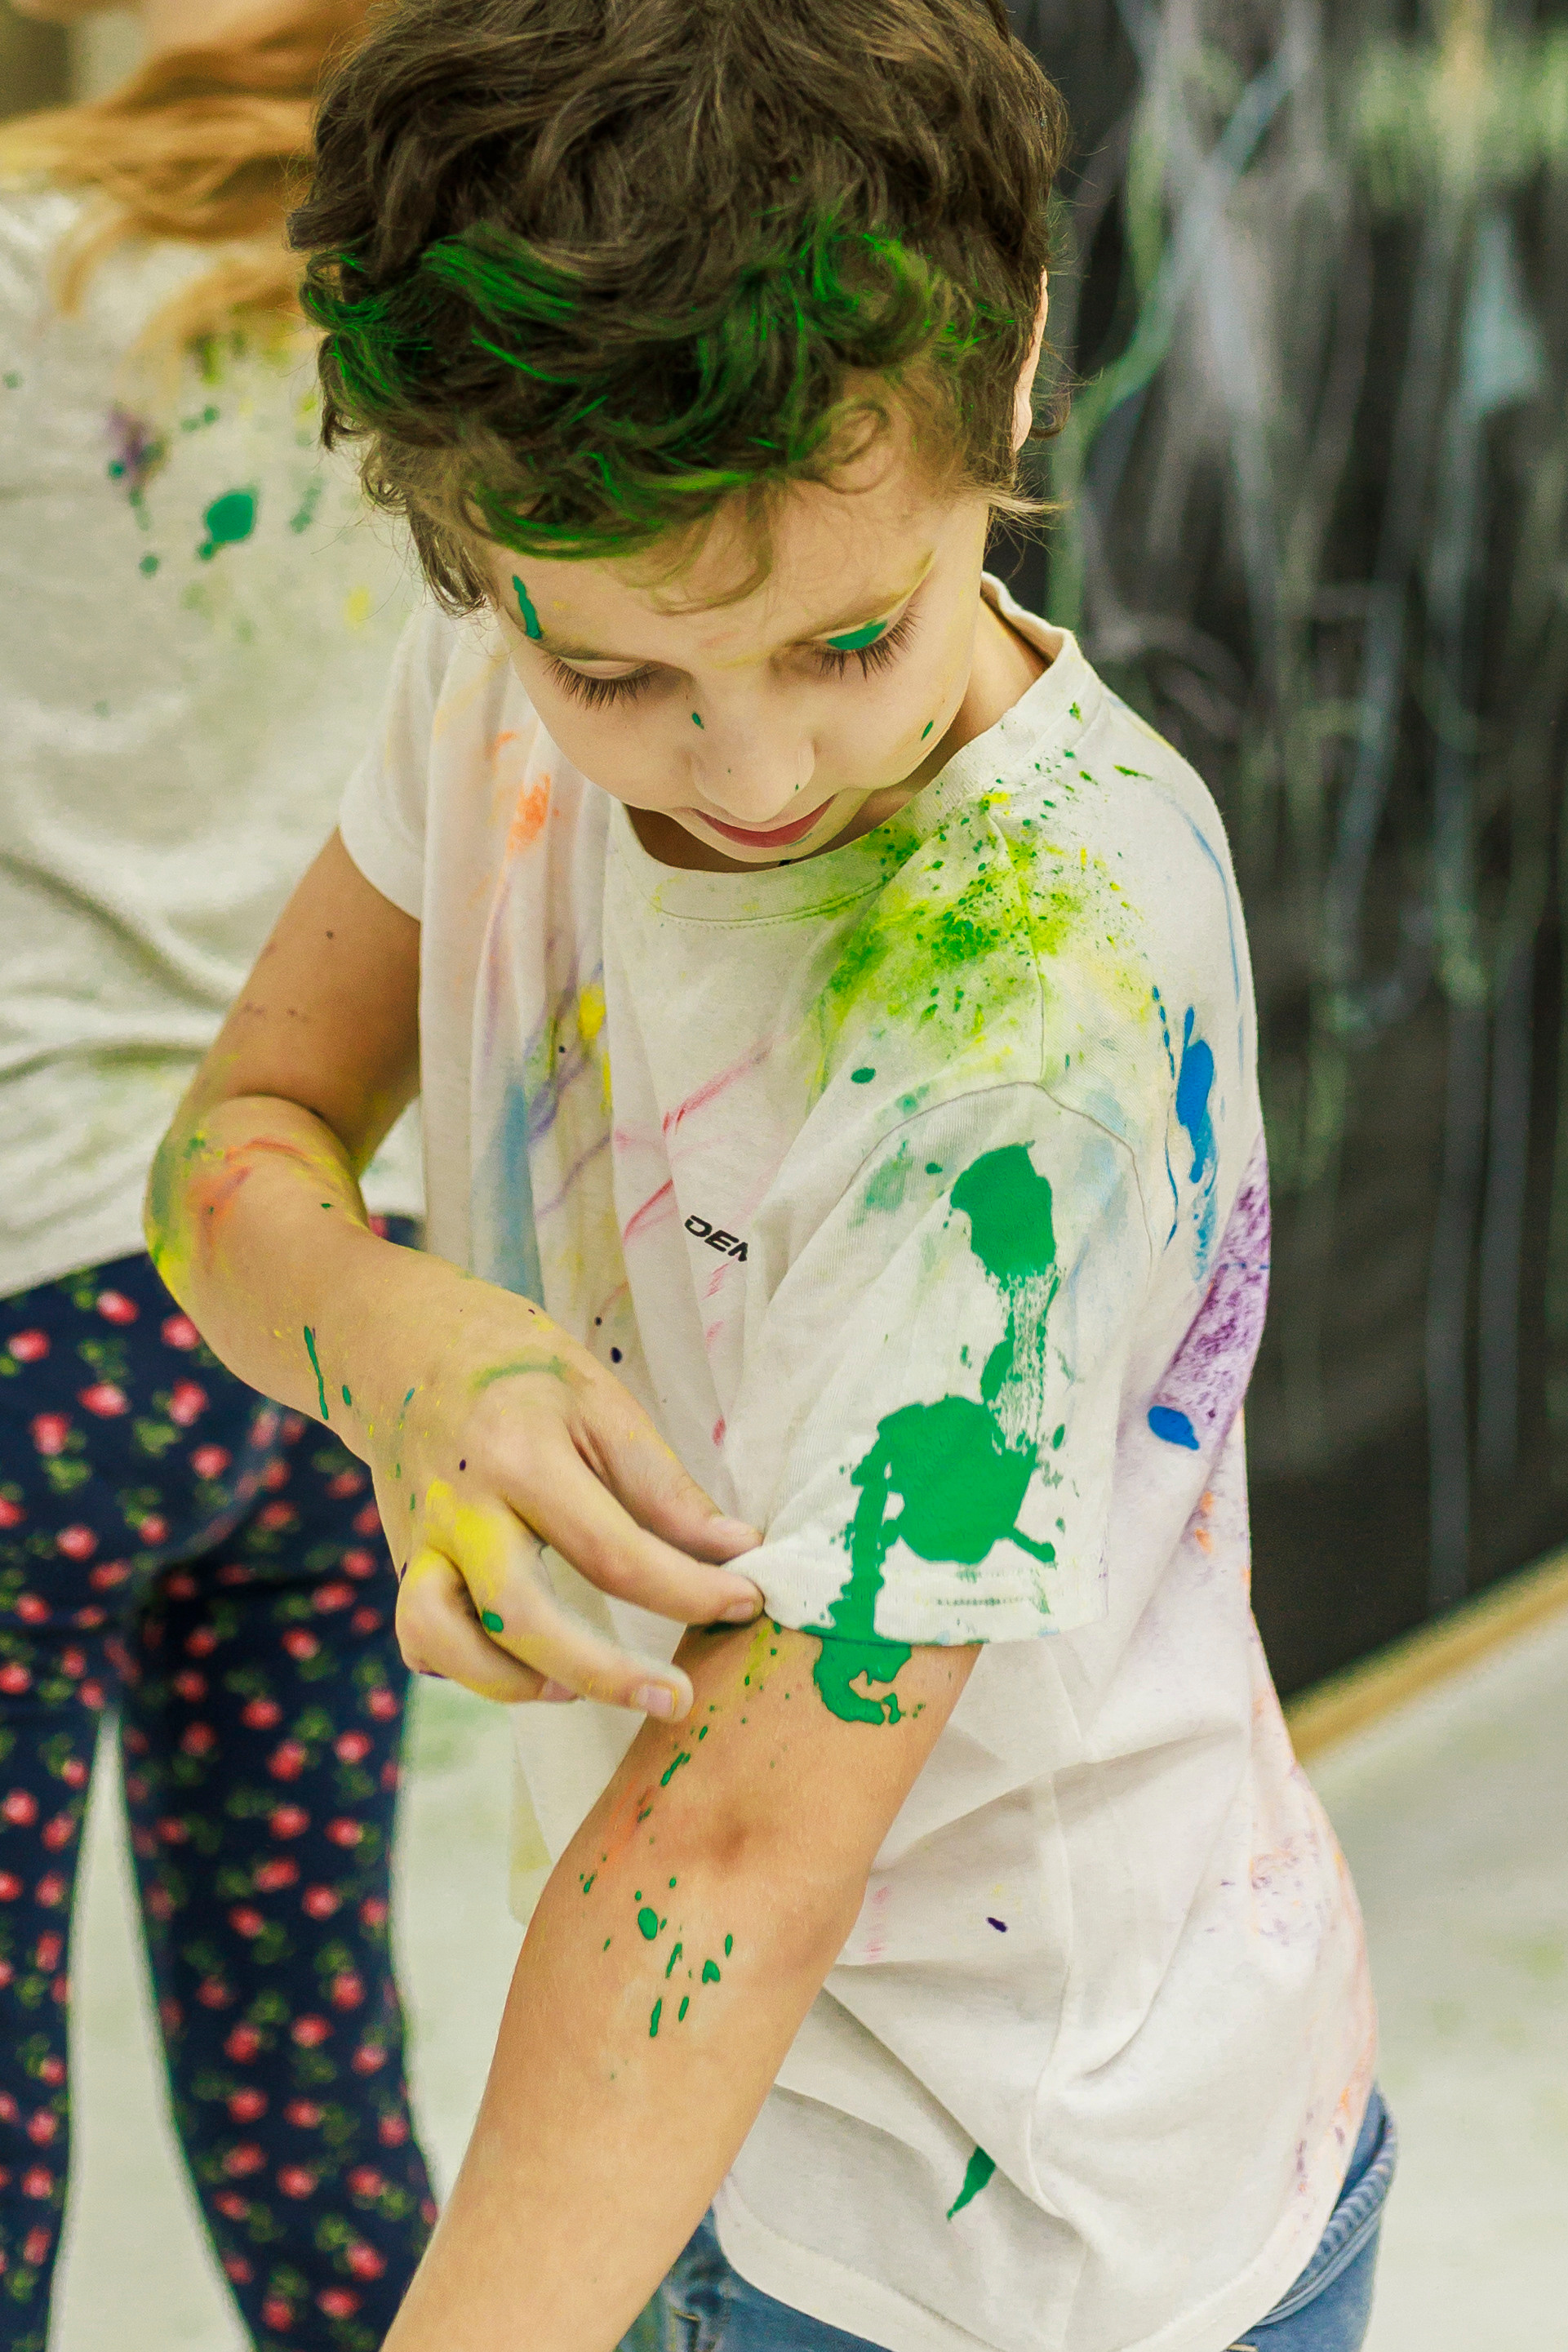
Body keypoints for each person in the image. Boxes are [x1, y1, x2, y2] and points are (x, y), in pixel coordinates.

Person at [146, 1, 1395, 2348]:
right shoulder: (504, 648)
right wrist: (409, 1351)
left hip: (1031, 2235)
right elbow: (236, 1153)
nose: (745, 768)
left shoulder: (1025, 991)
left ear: (1010, 367)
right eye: (623, 679)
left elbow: (735, 1845)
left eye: (848, 637)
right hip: (684, 2124)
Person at [0, 2, 752, 2342]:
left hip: (32, 1276)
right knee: (307, 2045)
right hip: (345, 1306)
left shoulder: (24, 261)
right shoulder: (455, 314)